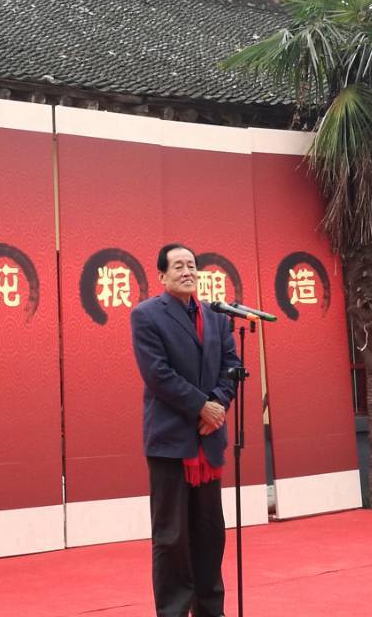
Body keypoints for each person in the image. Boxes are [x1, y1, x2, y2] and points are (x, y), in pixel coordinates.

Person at [130, 243, 239, 617]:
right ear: (162, 275)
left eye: (191, 265)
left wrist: (218, 405)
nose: (187, 271)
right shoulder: (146, 315)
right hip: (170, 441)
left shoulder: (216, 317)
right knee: (171, 537)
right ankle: (173, 611)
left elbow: (231, 367)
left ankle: (210, 610)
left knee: (210, 534)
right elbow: (157, 374)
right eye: (178, 266)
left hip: (208, 439)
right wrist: (201, 406)